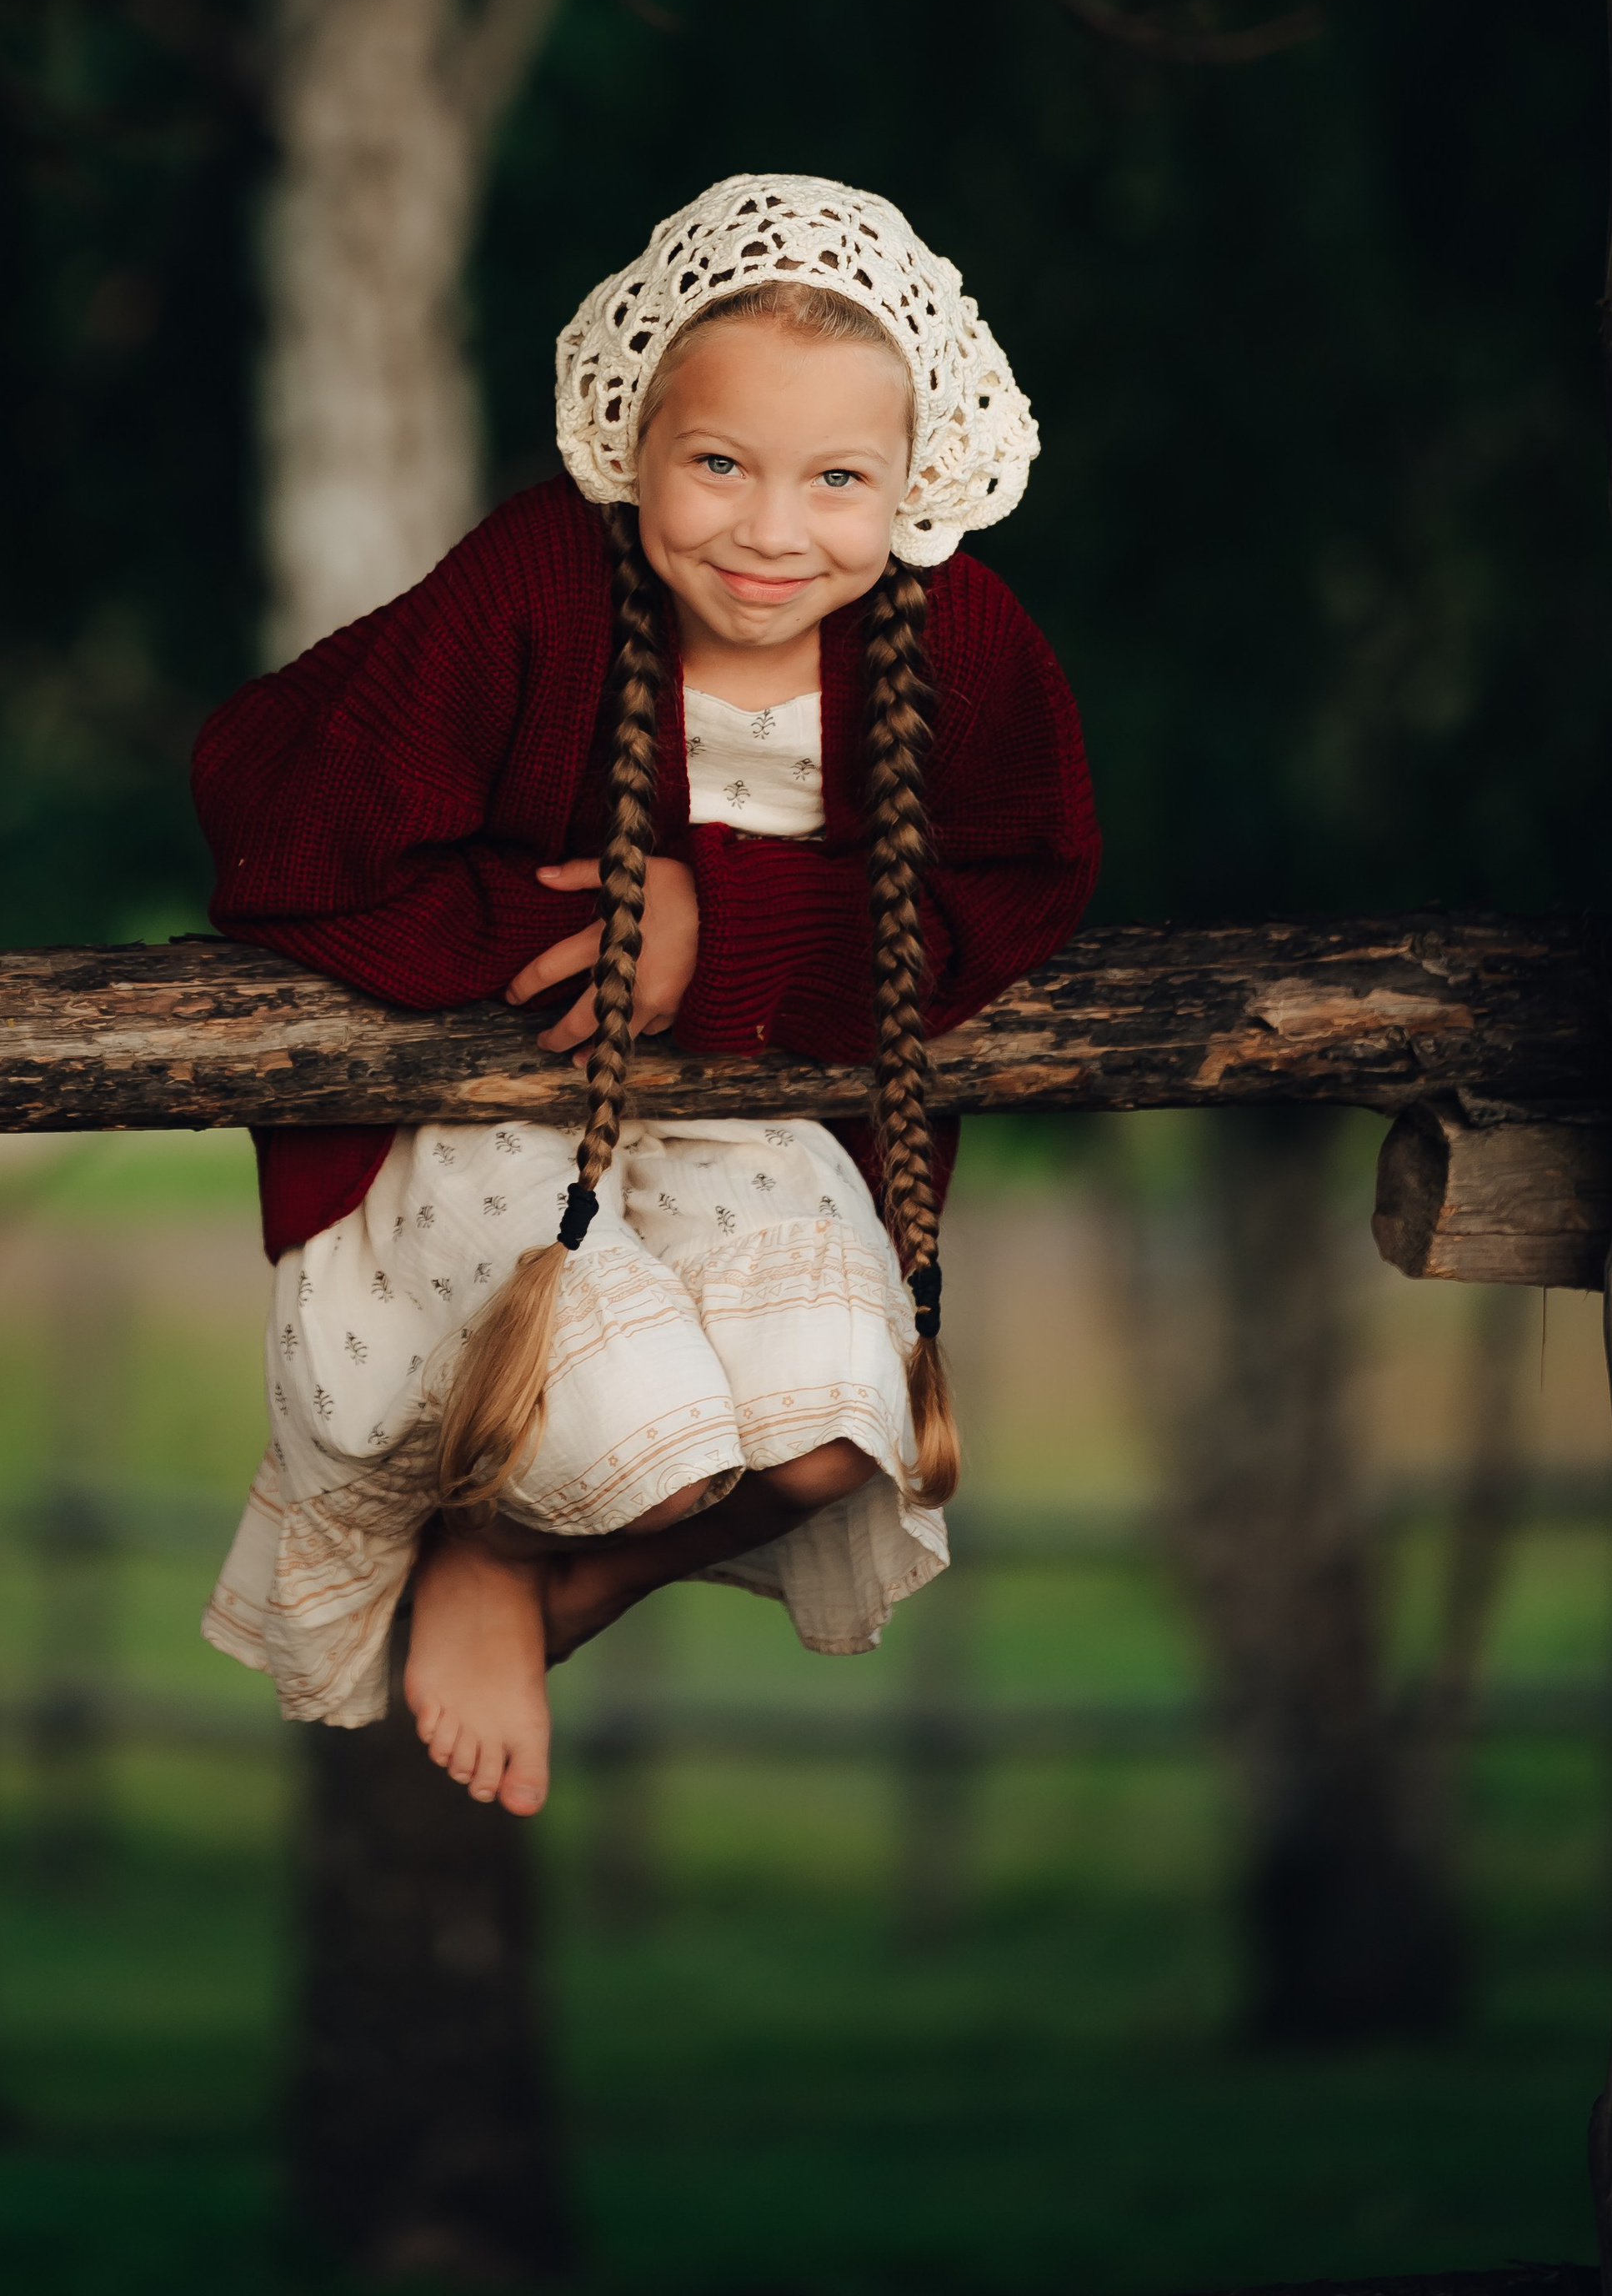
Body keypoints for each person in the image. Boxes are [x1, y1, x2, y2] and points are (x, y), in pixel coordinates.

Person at [198, 175, 1099, 1817]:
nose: (769, 531)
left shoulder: (949, 633)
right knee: (637, 1432)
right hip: (497, 1118)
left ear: (911, 480)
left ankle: (537, 1592)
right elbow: (277, 823)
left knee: (835, 1443)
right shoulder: (546, 577)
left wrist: (721, 931)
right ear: (636, 441)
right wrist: (565, 926)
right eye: (718, 466)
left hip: (746, 1113)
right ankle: (481, 1532)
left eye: (837, 479)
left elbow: (1021, 883)